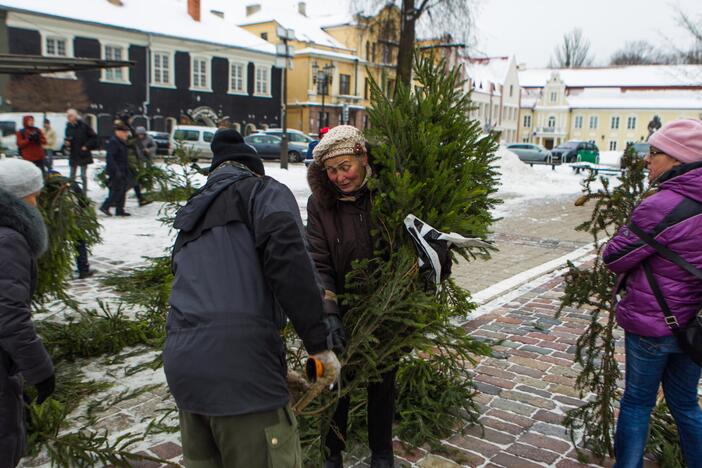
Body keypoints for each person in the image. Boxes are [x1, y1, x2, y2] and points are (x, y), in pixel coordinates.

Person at [163, 128, 342, 467]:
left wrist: (273, 369)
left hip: (185, 373)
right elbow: (291, 266)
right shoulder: (264, 193)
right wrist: (320, 347)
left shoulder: (191, 217)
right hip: (243, 372)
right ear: (254, 169)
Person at [603, 119, 702, 467]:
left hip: (653, 322)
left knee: (637, 403)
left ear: (678, 159)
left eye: (654, 152)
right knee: (686, 404)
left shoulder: (663, 205)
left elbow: (614, 257)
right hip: (694, 327)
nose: (647, 160)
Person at [306, 125, 395, 468]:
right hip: (339, 302)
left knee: (382, 379)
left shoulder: (384, 195)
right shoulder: (320, 205)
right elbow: (318, 259)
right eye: (332, 170)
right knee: (332, 380)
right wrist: (329, 311)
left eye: (346, 167)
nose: (340, 177)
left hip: (384, 305)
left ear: (363, 158)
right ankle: (332, 453)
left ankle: (382, 452)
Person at [0, 158, 55, 467]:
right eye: (35, 195)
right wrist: (41, 371)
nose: (38, 202)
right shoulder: (9, 239)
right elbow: (9, 315)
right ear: (19, 198)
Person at [46, 170, 95, 279]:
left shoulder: (45, 187)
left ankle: (55, 271)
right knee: (79, 243)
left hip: (55, 220)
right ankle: (83, 270)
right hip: (74, 218)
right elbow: (83, 201)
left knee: (55, 245)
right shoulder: (71, 184)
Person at [99, 121, 131, 217]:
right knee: (117, 190)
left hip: (122, 169)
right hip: (116, 170)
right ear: (119, 132)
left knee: (122, 190)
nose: (127, 134)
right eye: (125, 132)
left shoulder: (121, 142)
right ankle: (105, 206)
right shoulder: (114, 142)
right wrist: (116, 170)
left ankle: (120, 209)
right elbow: (111, 158)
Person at [64, 109, 98, 192]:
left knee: (83, 175)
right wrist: (67, 143)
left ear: (75, 116)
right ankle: (73, 192)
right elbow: (68, 138)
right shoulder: (68, 127)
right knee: (72, 176)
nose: (69, 118)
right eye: (68, 116)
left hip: (83, 153)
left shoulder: (84, 126)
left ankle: (84, 192)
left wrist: (87, 146)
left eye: (70, 116)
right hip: (73, 153)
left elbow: (94, 137)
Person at [129, 126, 156, 207]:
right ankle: (140, 186)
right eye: (139, 134)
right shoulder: (135, 140)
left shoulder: (149, 139)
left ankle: (148, 185)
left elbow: (154, 146)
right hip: (138, 159)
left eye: (142, 134)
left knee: (148, 172)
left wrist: (149, 150)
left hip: (147, 158)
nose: (140, 136)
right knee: (139, 174)